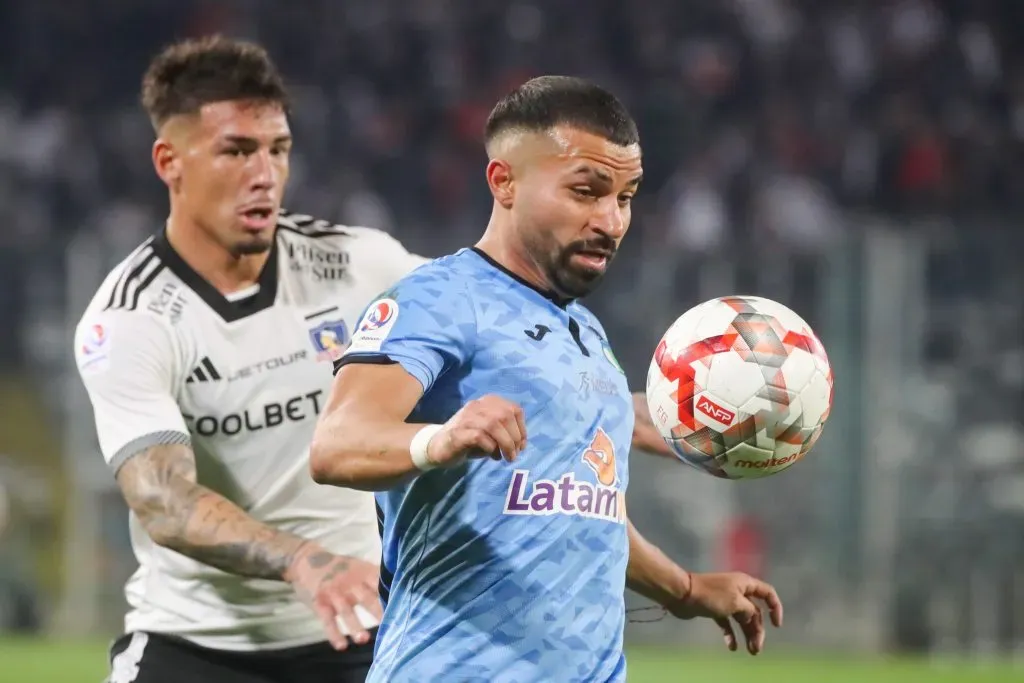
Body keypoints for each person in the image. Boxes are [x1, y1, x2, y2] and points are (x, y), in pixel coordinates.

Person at [309, 76, 784, 683]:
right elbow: (336, 444)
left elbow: (582, 515)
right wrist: (439, 439)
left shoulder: (584, 329)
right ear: (503, 182)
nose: (611, 221)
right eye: (586, 191)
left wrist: (685, 589)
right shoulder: (439, 300)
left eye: (626, 197)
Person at [72, 36, 427, 683]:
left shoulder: (360, 264)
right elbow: (162, 498)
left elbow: (488, 322)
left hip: (359, 625)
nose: (264, 173)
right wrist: (301, 560)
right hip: (195, 640)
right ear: (169, 162)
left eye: (277, 149)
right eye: (236, 151)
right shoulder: (130, 318)